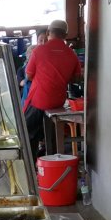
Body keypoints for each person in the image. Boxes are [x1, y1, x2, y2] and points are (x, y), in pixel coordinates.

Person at [23, 19, 83, 157]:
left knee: (26, 133)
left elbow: (29, 75)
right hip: (58, 103)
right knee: (51, 136)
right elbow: (76, 78)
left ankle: (31, 167)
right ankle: (54, 162)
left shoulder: (39, 51)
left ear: (49, 32)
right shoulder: (71, 54)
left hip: (39, 101)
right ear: (65, 35)